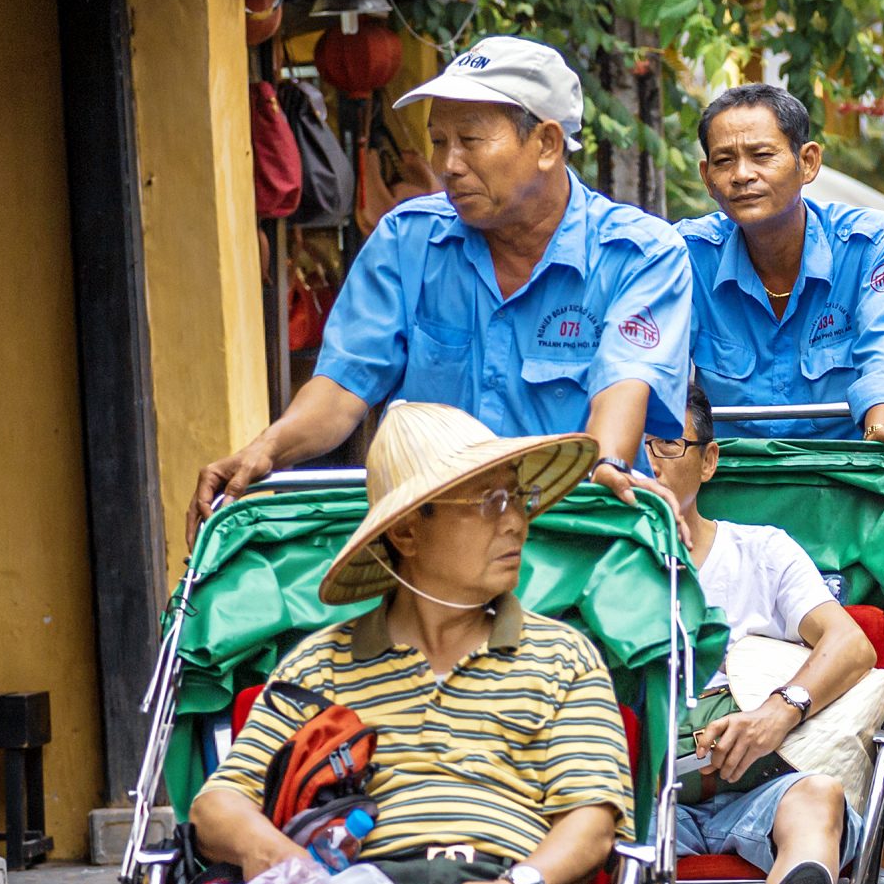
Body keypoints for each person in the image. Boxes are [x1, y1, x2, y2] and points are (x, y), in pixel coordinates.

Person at [191, 402, 630, 884]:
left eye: (517, 498)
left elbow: (591, 820)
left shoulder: (564, 656)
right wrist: (279, 857)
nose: (515, 521)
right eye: (488, 501)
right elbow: (216, 802)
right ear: (407, 530)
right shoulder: (320, 663)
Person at [193, 37, 692, 534]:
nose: (447, 165)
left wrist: (607, 463)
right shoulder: (405, 240)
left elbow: (623, 388)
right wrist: (266, 450)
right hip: (427, 541)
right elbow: (343, 387)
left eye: (470, 141)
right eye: (438, 141)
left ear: (546, 144)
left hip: (574, 527)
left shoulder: (640, 254)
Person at [648, 383, 880, 884]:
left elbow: (849, 643)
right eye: (636, 444)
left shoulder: (761, 551)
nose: (648, 459)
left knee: (819, 797)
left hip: (759, 787)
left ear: (709, 460)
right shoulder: (598, 568)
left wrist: (779, 711)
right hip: (648, 795)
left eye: (668, 444)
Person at [675, 83, 884, 445]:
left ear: (807, 163)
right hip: (730, 475)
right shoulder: (687, 253)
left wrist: (879, 429)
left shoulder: (872, 243)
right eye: (724, 161)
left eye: (761, 155)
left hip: (850, 468)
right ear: (707, 179)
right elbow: (661, 365)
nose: (742, 174)